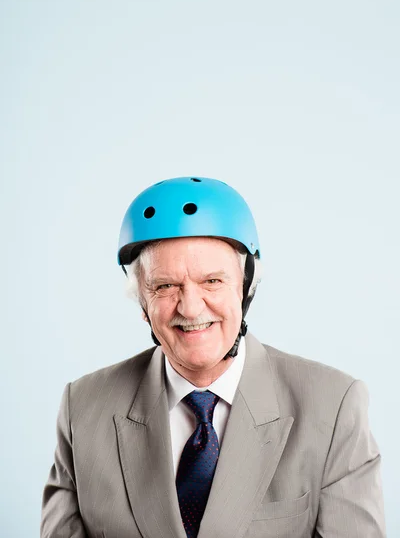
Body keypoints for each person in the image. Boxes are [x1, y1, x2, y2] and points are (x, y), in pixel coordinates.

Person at [41, 176, 386, 538]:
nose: (190, 308)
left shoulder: (333, 407)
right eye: (165, 286)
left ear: (246, 287)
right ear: (142, 302)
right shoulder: (82, 408)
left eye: (212, 281)